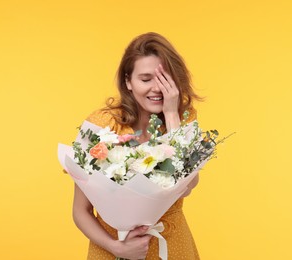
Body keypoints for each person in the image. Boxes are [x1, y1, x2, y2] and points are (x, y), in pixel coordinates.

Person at [72, 32, 203, 259]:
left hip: (172, 245)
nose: (157, 88)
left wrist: (172, 114)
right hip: (111, 247)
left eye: (165, 79)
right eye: (145, 79)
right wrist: (117, 247)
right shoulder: (100, 124)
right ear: (128, 82)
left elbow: (189, 184)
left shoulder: (184, 119)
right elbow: (80, 211)